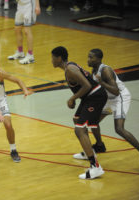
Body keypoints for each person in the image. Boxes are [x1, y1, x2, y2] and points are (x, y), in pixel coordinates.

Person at [73, 49, 139, 171]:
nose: (88, 60)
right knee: (92, 121)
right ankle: (99, 145)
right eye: (88, 57)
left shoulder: (105, 70)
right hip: (107, 99)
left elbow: (116, 91)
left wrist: (102, 83)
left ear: (99, 59)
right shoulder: (94, 70)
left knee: (119, 129)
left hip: (120, 97)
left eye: (91, 58)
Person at [51, 46, 108, 179]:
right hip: (89, 97)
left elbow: (87, 86)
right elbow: (86, 78)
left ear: (59, 58)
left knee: (79, 129)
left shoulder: (70, 69)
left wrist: (72, 98)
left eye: (53, 58)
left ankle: (95, 167)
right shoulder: (70, 67)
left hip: (95, 96)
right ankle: (90, 151)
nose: (52, 60)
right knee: (77, 121)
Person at [4, 0, 41, 64]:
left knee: (27, 30)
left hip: (29, 5)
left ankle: (30, 55)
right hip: (20, 5)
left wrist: (37, 6)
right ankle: (20, 52)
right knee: (17, 29)